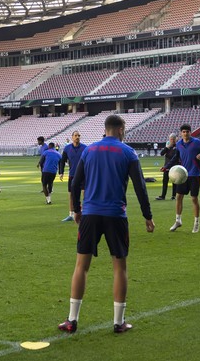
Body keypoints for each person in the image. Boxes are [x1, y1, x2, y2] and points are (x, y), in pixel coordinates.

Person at [58, 114, 154, 335]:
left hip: (90, 214)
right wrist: (147, 216)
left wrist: (77, 210)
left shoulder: (89, 150)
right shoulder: (128, 152)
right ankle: (118, 322)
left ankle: (72, 320)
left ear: (106, 128)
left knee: (81, 266)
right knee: (119, 267)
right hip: (116, 215)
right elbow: (140, 186)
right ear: (120, 129)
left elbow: (75, 182)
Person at [170, 124, 200, 233]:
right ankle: (178, 220)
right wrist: (166, 167)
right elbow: (176, 157)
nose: (185, 133)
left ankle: (196, 223)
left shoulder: (197, 142)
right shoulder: (179, 144)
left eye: (187, 131)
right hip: (182, 175)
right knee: (179, 196)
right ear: (181, 133)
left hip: (194, 175)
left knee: (194, 198)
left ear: (190, 132)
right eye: (183, 132)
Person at [59, 130, 87, 222]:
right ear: (72, 137)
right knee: (71, 194)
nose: (77, 137)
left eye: (79, 135)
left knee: (84, 193)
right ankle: (71, 214)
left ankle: (85, 212)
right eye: (76, 135)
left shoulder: (85, 148)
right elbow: (62, 161)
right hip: (72, 175)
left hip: (83, 175)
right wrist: (61, 172)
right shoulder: (67, 148)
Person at [155, 134, 178, 201]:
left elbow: (176, 157)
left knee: (174, 182)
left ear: (176, 139)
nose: (172, 140)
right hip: (166, 166)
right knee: (165, 181)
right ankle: (163, 196)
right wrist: (167, 147)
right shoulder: (168, 147)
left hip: (174, 167)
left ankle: (174, 196)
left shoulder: (178, 146)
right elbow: (161, 153)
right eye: (171, 139)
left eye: (173, 139)